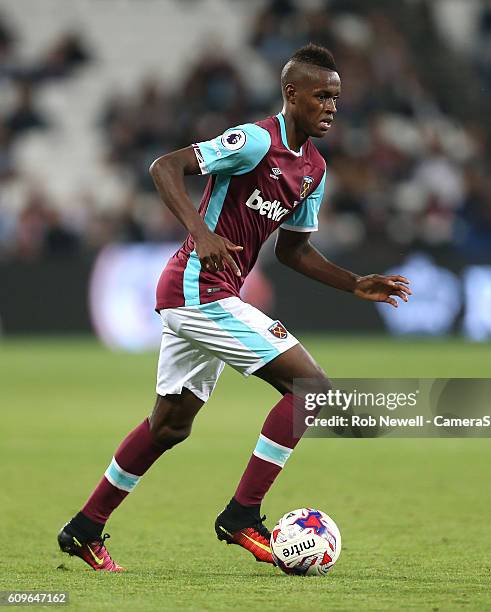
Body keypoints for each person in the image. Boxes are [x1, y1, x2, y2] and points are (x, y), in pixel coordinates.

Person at [57, 43, 411, 571]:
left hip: (206, 296)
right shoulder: (252, 141)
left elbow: (293, 250)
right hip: (199, 288)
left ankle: (84, 528)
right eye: (321, 96)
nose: (332, 107)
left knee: (170, 426)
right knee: (310, 390)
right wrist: (199, 233)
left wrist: (354, 283)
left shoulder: (313, 168)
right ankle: (242, 516)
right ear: (291, 94)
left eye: (336, 98)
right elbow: (164, 167)